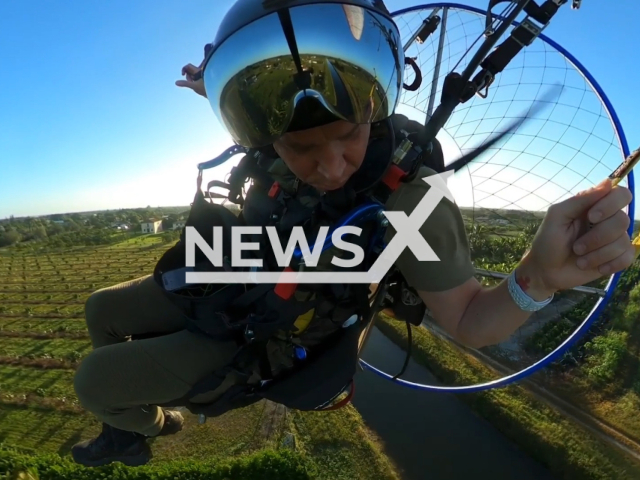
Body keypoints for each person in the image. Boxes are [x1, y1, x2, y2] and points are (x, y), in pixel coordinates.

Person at [71, 0, 635, 469]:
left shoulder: (409, 197)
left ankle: (153, 426)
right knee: (102, 311)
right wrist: (218, 88)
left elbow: (468, 320)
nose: (332, 165)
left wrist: (538, 278)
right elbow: (272, 121)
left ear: (374, 117)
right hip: (240, 272)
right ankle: (126, 431)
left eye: (347, 137)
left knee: (96, 382)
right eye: (301, 149)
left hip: (269, 330)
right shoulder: (270, 138)